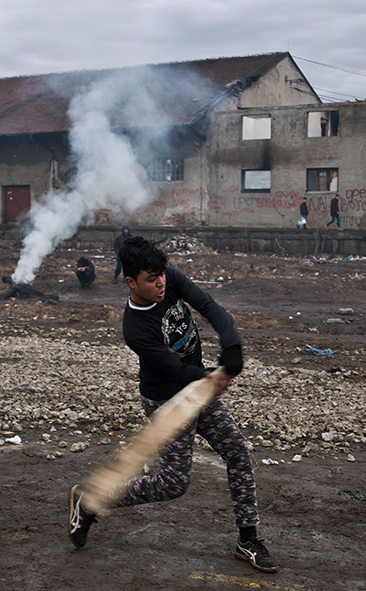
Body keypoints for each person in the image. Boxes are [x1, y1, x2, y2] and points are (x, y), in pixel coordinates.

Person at [68, 236, 277, 573]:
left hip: (199, 389)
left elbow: (209, 307)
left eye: (161, 274)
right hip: (168, 399)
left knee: (237, 451)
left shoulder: (170, 278)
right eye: (151, 279)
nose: (160, 282)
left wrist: (232, 345)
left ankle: (248, 539)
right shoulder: (135, 327)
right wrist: (208, 376)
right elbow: (176, 370)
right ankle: (91, 499)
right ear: (131, 282)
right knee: (173, 483)